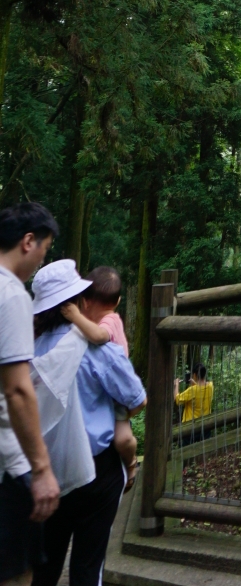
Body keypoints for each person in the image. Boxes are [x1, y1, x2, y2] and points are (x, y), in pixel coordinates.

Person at [30, 263, 145, 586]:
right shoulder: (99, 350)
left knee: (45, 564)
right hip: (96, 473)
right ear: (78, 301)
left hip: (43, 471)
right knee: (87, 565)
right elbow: (137, 399)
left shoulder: (25, 350)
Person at [0, 203, 61, 586]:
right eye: (44, 249)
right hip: (7, 464)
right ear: (28, 242)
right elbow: (18, 389)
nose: (41, 259)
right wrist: (41, 468)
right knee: (16, 572)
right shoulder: (12, 296)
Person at [76, 271, 136, 489]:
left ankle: (131, 465)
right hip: (108, 391)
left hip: (117, 394)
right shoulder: (110, 318)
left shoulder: (110, 320)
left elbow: (100, 336)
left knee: (123, 439)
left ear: (85, 300)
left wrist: (74, 316)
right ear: (118, 300)